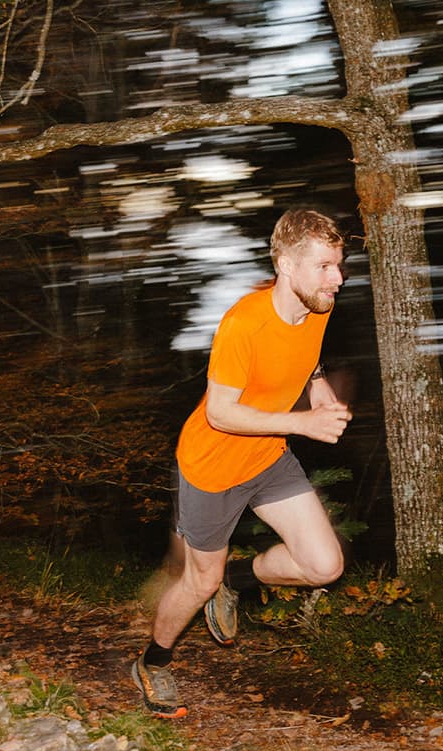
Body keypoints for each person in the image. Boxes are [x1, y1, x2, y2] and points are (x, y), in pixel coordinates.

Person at [132, 208, 352, 719]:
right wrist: (303, 423)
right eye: (324, 267)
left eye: (338, 265)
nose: (337, 279)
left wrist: (317, 390)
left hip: (268, 457)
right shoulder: (243, 324)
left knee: (324, 566)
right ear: (286, 265)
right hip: (212, 468)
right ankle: (153, 662)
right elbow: (220, 412)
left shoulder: (318, 306)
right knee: (196, 582)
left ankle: (238, 579)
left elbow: (308, 357)